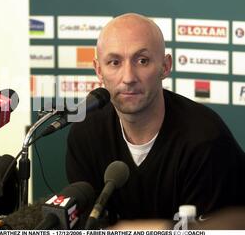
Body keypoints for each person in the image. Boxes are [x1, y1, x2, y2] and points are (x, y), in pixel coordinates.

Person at [66, 13, 245, 222]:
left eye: (142, 61)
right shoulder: (85, 134)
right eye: (114, 62)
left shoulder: (206, 141)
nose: (128, 78)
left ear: (165, 66)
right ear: (98, 70)